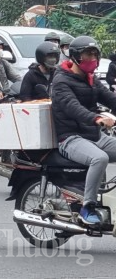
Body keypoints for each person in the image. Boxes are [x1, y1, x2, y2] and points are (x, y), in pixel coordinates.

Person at [52, 36, 116, 225]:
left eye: (95, 55)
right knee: (100, 158)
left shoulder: (91, 79)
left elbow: (109, 98)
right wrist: (97, 118)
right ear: (75, 57)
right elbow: (73, 108)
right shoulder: (61, 81)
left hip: (94, 135)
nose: (92, 59)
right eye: (88, 55)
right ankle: (87, 207)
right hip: (70, 138)